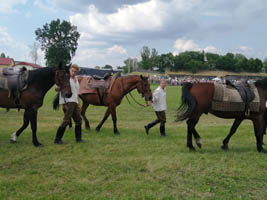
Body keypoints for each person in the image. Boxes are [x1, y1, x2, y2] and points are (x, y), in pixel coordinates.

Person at [54, 64, 83, 144]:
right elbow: (56, 88)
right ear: (69, 70)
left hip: (75, 101)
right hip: (67, 101)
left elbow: (77, 92)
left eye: (75, 71)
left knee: (79, 120)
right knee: (66, 121)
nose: (73, 73)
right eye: (72, 71)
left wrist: (78, 102)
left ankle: (78, 139)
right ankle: (57, 139)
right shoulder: (65, 78)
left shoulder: (76, 79)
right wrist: (59, 88)